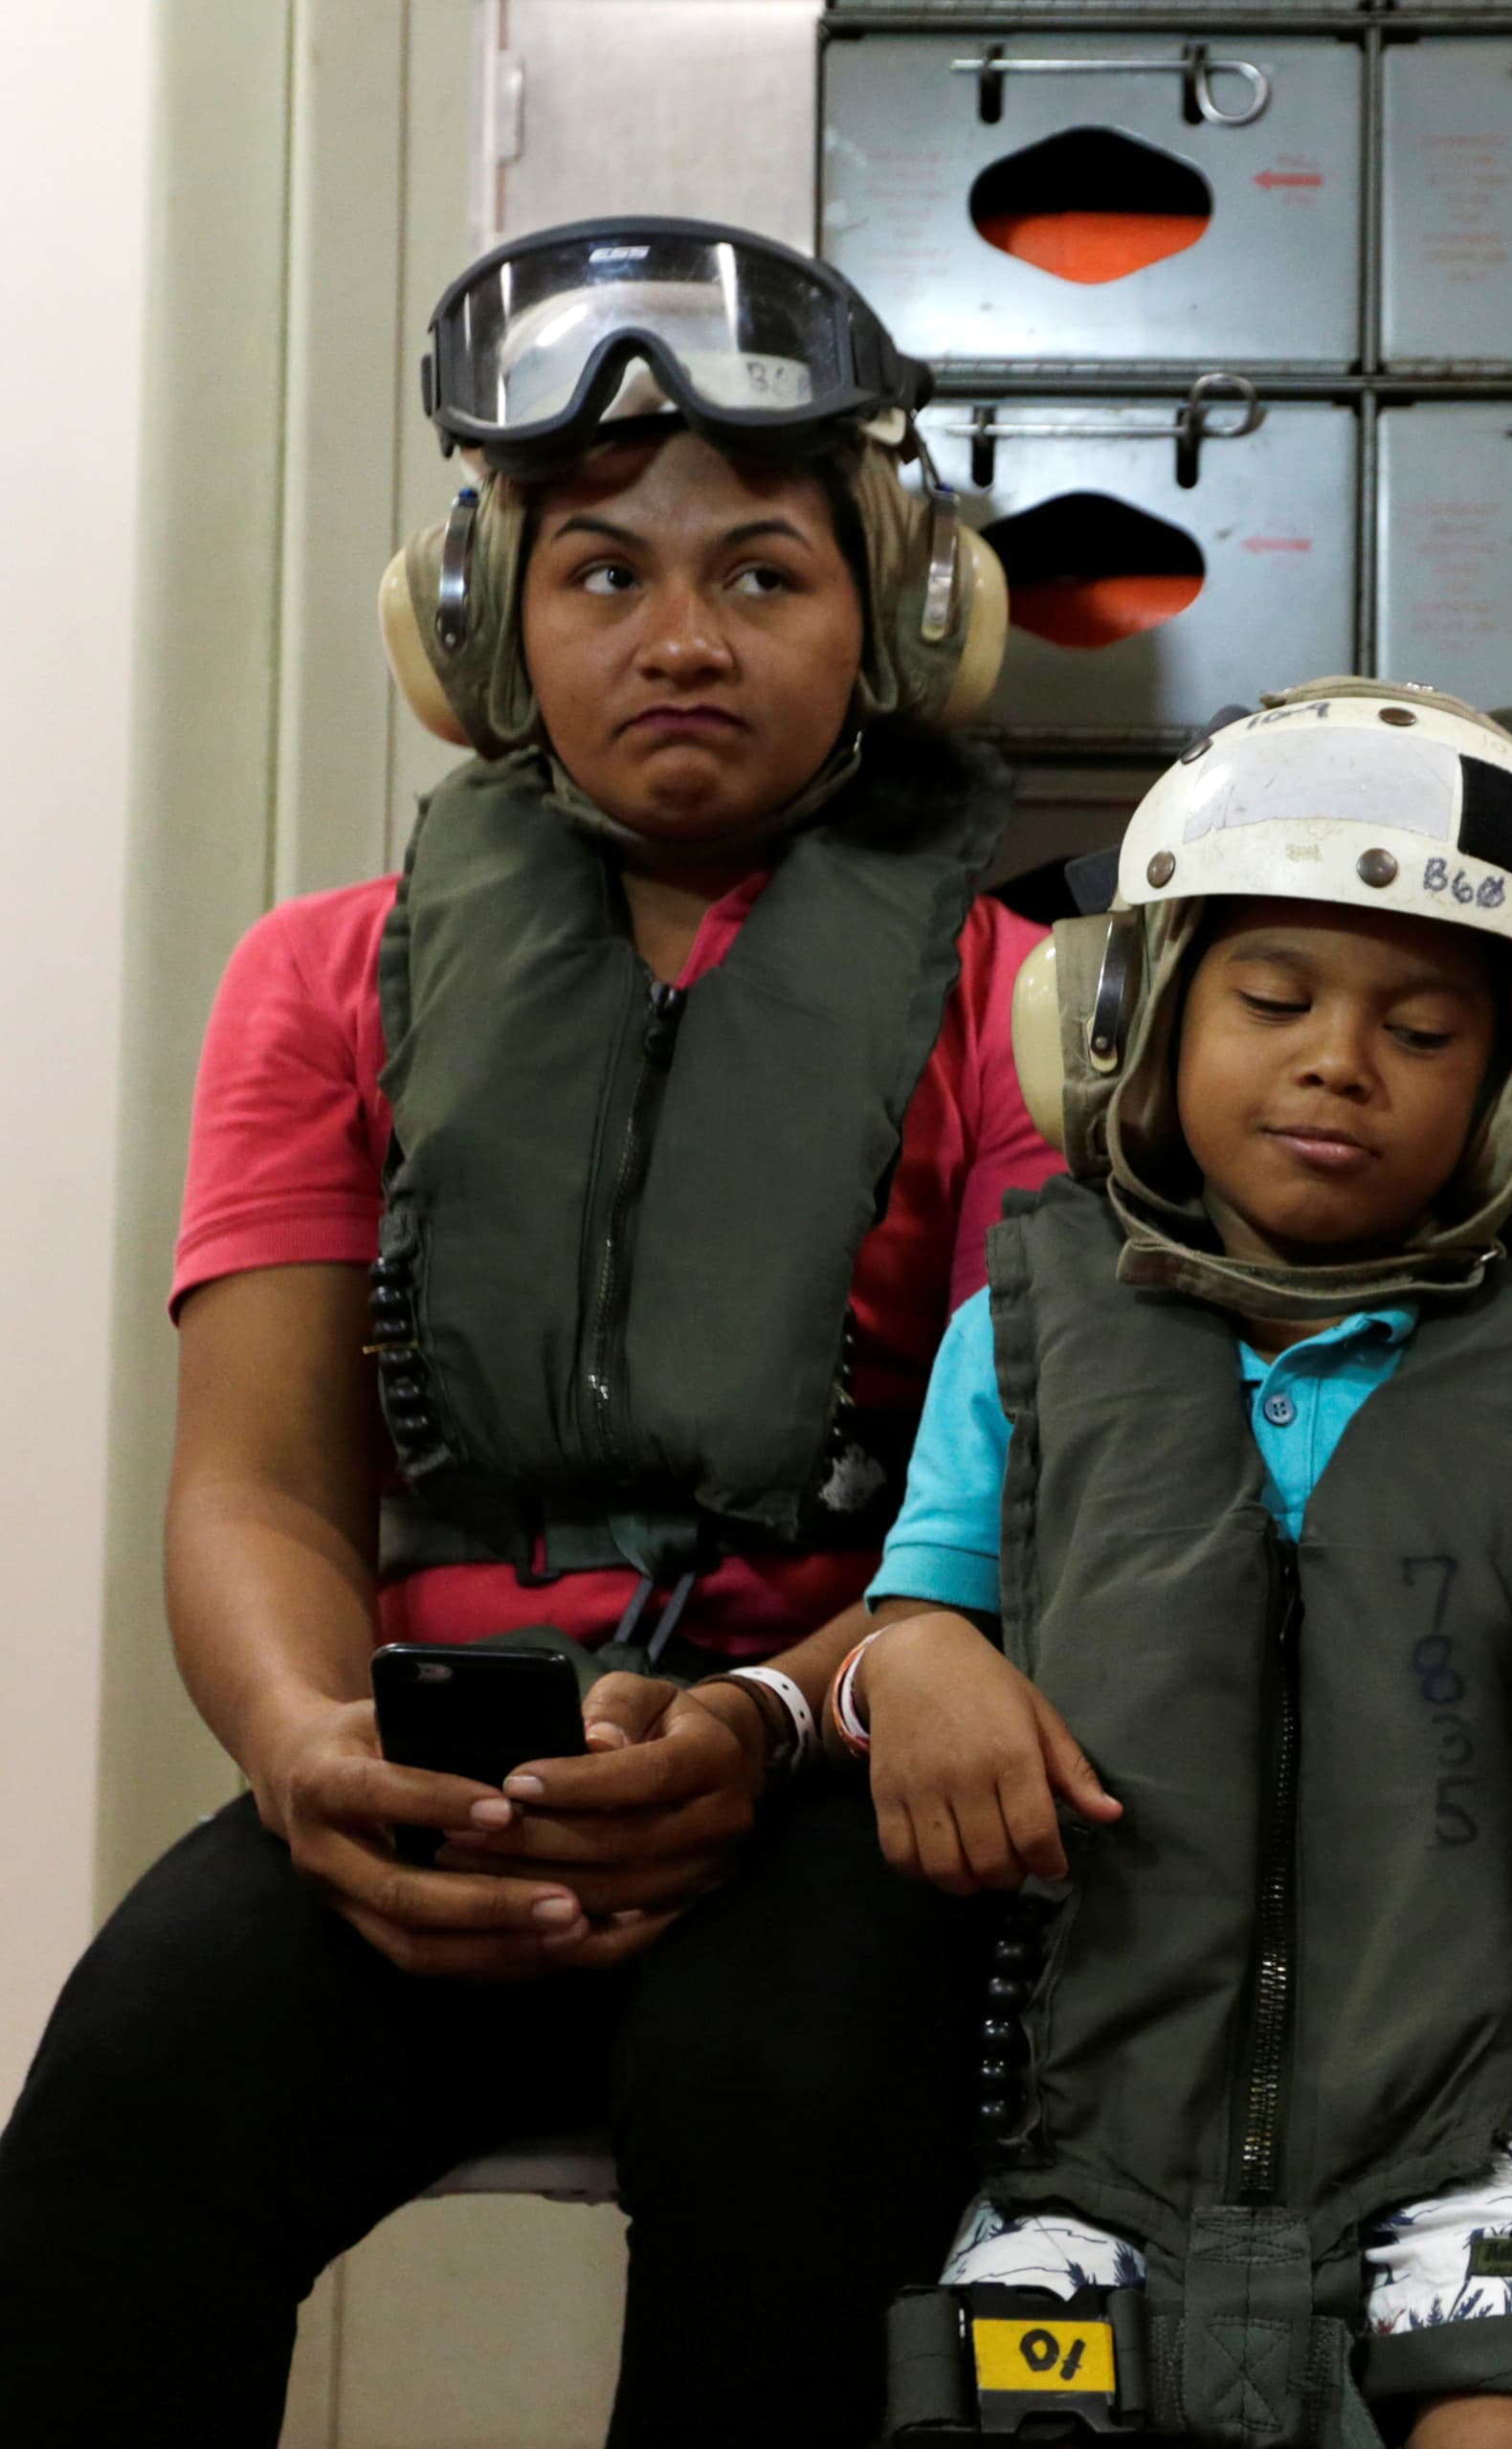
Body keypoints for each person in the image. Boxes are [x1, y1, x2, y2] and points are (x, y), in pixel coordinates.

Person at [0, 218, 1054, 2442]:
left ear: (896, 616)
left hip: (818, 1784)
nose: (681, 635)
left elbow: (1036, 1510)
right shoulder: (320, 976)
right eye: (600, 574)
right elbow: (259, 1475)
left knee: (780, 2122)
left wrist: (766, 1717)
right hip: (425, 1771)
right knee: (122, 2109)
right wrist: (312, 1758)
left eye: (762, 572)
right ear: (481, 620)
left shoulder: (1022, 1002)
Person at [850, 681, 1512, 2448]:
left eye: (1425, 1032)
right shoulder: (1020, 1332)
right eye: (1273, 1000)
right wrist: (918, 1656)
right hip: (1097, 2114)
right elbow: (924, 1621)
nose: (1338, 1060)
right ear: (1128, 1020)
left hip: (1508, 2103)